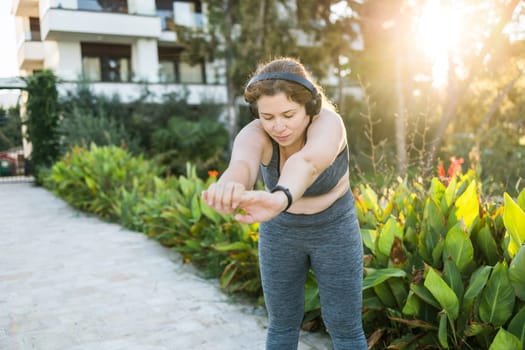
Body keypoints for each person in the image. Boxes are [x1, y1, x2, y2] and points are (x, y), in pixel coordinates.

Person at [202, 57, 367, 350]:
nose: (278, 126)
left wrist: (280, 197)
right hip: (280, 234)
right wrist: (229, 185)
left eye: (288, 115)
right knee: (282, 324)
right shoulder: (256, 133)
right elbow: (242, 163)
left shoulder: (329, 124)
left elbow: (306, 162)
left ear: (310, 106)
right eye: (268, 117)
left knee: (345, 328)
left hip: (334, 231)